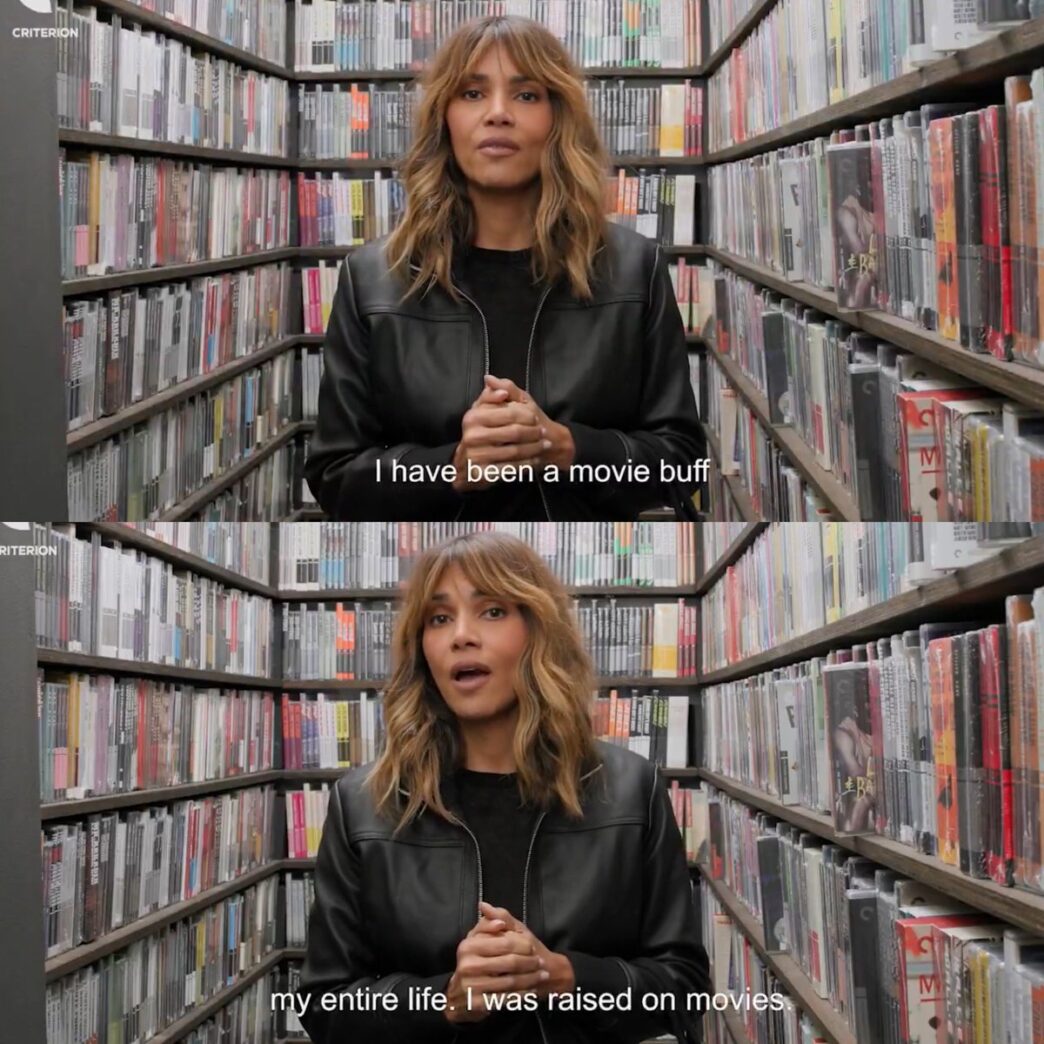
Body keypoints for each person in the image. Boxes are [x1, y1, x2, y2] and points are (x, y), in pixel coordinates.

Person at [298, 532, 711, 1043]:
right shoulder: (362, 803)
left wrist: (565, 977)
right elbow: (324, 1005)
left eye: (492, 611)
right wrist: (443, 1000)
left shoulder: (631, 789)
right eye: (438, 618)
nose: (461, 636)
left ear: (539, 631)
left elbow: (684, 990)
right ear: (421, 648)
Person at [303, 15, 706, 522]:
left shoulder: (634, 268)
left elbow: (682, 466)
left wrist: (569, 449)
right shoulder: (371, 279)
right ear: (444, 118)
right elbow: (335, 477)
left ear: (558, 118)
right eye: (472, 93)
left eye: (527, 95)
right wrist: (450, 468)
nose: (498, 113)